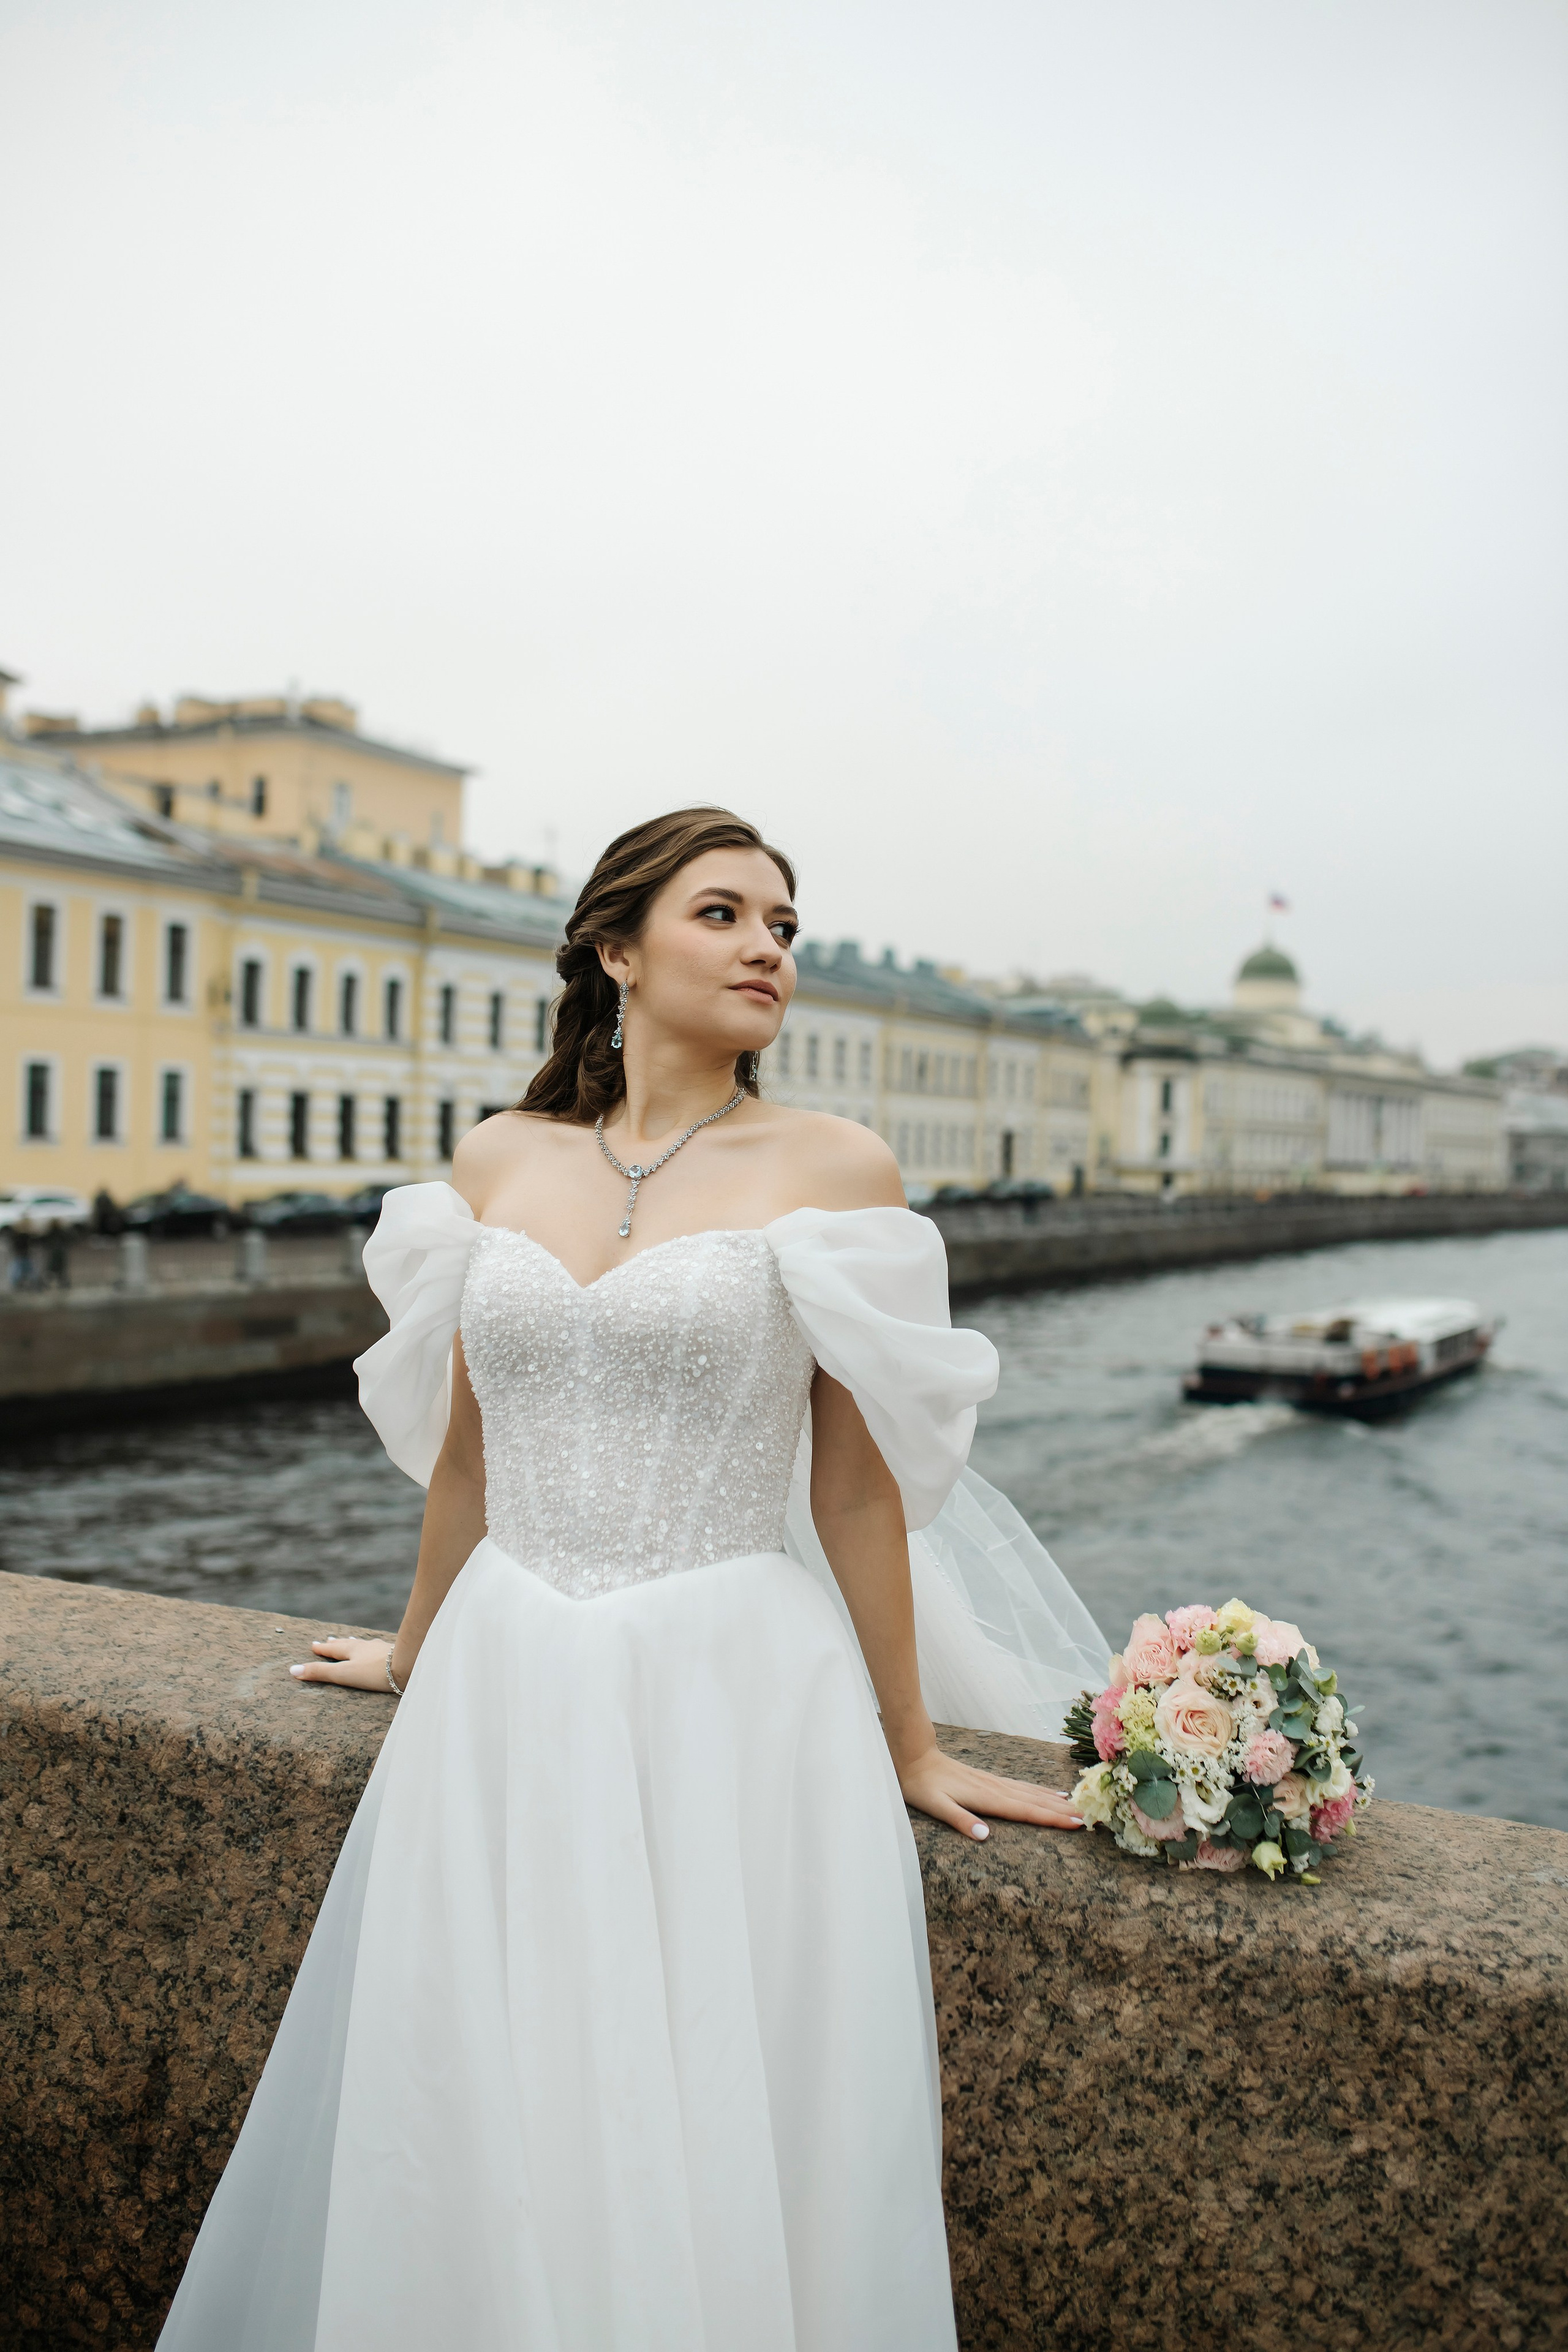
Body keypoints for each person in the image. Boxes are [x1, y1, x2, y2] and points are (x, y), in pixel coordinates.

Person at [156, 809, 1109, 2352]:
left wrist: (911, 1742)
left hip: (733, 1696)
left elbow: (853, 1484)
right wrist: (412, 1652)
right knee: (474, 2095)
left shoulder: (833, 1165)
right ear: (616, 947)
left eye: (783, 928)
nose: (766, 952)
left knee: (712, 2103)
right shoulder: (497, 1158)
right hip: (503, 1683)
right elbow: (470, 1462)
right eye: (724, 915)